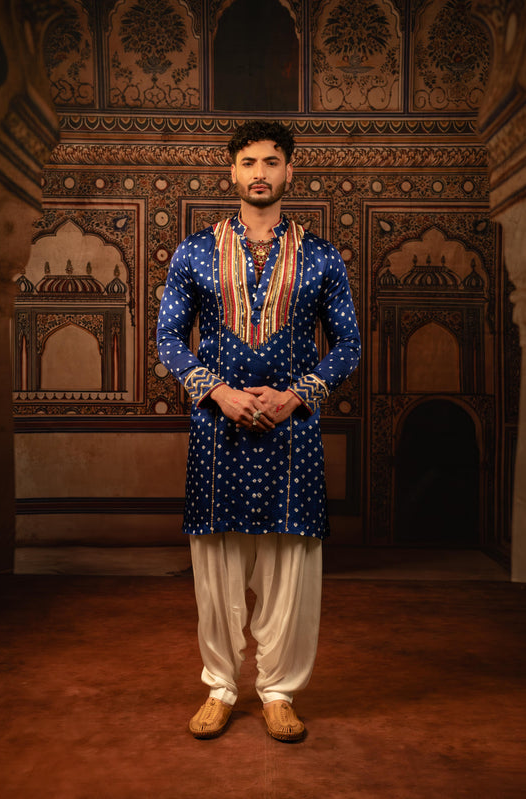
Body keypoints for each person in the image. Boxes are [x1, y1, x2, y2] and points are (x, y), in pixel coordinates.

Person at [157, 120, 360, 742]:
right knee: (216, 568)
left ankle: (278, 692)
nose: (260, 173)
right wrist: (216, 390)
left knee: (289, 567)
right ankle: (220, 686)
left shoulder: (322, 256)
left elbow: (348, 344)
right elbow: (168, 336)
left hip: (292, 434)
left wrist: (295, 395)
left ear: (290, 171)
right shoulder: (193, 251)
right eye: (249, 163)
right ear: (233, 172)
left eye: (272, 162)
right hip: (217, 434)